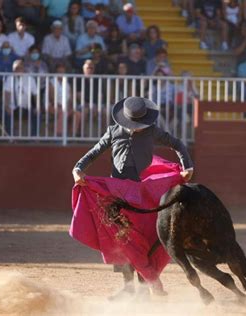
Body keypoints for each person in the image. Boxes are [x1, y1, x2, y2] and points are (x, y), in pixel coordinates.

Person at [72, 96, 194, 299]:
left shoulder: (152, 131)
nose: (139, 128)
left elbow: (177, 144)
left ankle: (144, 285)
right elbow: (94, 152)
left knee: (145, 236)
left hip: (142, 192)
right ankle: (128, 286)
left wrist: (187, 167)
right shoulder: (114, 131)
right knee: (120, 237)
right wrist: (78, 169)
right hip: (117, 192)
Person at [3, 59, 39, 137]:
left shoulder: (30, 79)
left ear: (24, 68)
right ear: (13, 69)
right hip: (13, 107)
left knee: (37, 114)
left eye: (20, 68)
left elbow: (36, 94)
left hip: (26, 107)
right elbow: (6, 93)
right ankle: (10, 137)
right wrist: (7, 106)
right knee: (6, 113)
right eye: (16, 68)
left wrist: (37, 106)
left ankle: (34, 137)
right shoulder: (10, 78)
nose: (18, 70)